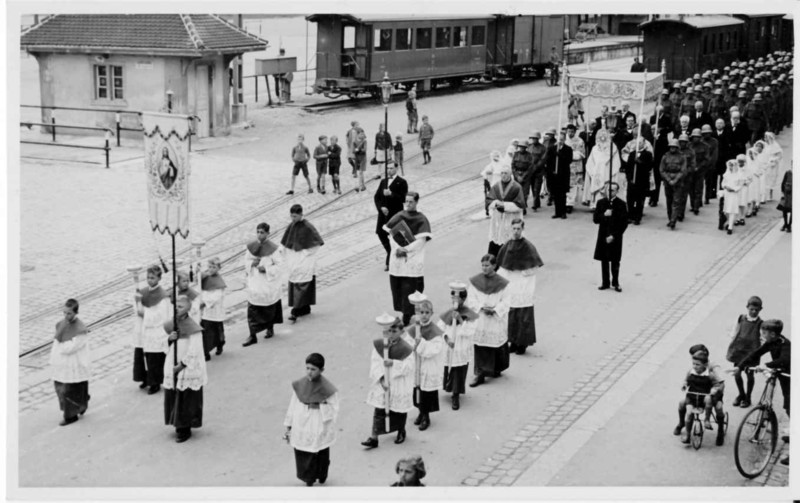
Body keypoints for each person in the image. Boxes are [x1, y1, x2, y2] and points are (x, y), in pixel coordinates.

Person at [735, 319, 791, 465]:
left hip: (791, 377)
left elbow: (785, 360)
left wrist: (765, 365)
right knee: (787, 407)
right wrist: (740, 367)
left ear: (772, 334)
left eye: (764, 333)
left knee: (791, 408)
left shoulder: (786, 345)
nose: (762, 335)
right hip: (781, 374)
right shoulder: (771, 342)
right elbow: (756, 353)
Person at [284, 353, 340, 486]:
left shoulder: (327, 388)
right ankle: (308, 477)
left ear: (321, 370)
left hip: (318, 422)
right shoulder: (300, 384)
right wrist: (289, 423)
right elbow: (293, 404)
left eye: (313, 369)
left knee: (319, 449)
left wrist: (320, 406)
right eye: (307, 368)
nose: (309, 372)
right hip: (301, 421)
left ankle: (322, 473)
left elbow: (334, 407)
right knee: (303, 450)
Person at [362, 316, 415, 448]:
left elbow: (409, 366)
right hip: (384, 381)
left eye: (394, 331)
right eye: (389, 331)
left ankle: (401, 430)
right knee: (380, 409)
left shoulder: (406, 348)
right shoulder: (380, 345)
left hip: (398, 382)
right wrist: (381, 378)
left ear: (401, 332)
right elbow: (375, 362)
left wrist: (394, 363)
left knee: (398, 409)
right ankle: (374, 437)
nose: (391, 334)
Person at [383, 192, 433, 326]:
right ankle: (402, 311)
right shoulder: (399, 216)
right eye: (406, 201)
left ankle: (408, 314)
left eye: (411, 201)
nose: (408, 204)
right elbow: (390, 236)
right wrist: (397, 248)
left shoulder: (421, 219)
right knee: (398, 287)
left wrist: (407, 249)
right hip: (398, 257)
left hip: (412, 257)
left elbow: (421, 240)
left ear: (417, 202)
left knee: (410, 288)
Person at [163, 295, 207, 443]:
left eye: (180, 306)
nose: (177, 309)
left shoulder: (193, 327)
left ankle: (184, 427)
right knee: (175, 394)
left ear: (188, 308)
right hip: (173, 362)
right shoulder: (173, 324)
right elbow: (166, 345)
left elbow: (194, 350)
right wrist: (170, 339)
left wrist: (181, 365)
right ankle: (177, 423)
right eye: (175, 306)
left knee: (185, 397)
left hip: (186, 367)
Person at [496, 220, 543, 356]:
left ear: (522, 229)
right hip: (511, 283)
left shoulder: (528, 246)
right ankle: (513, 341)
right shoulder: (507, 245)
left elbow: (534, 266)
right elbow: (502, 265)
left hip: (523, 284)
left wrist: (521, 271)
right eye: (514, 228)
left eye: (518, 229)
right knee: (511, 313)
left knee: (523, 314)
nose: (516, 231)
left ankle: (523, 343)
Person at [673, 344, 726, 445]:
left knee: (719, 408)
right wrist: (685, 385)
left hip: (711, 394)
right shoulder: (694, 368)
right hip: (696, 394)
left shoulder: (713, 368)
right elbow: (687, 380)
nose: (693, 363)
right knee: (682, 403)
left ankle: (720, 431)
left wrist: (714, 394)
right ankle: (682, 424)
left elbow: (721, 384)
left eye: (694, 356)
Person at [439, 281, 479, 410]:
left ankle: (455, 395)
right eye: (452, 298)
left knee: (458, 371)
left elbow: (470, 332)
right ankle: (449, 387)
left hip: (461, 346)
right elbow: (440, 328)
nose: (454, 301)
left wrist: (461, 320)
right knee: (448, 368)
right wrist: (446, 339)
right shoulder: (448, 312)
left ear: (463, 299)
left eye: (457, 298)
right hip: (449, 345)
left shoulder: (469, 313)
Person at [242, 223, 284, 346]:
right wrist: (252, 263)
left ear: (267, 233)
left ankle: (269, 327)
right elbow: (246, 261)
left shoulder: (274, 249)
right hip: (255, 283)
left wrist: (266, 269)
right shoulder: (251, 247)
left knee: (268, 308)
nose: (260, 234)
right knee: (252, 308)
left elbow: (280, 265)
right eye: (258, 232)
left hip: (267, 283)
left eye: (262, 232)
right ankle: (252, 335)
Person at [281, 205, 325, 323]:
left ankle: (295, 311)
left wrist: (304, 251)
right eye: (291, 216)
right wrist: (283, 250)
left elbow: (316, 243)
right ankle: (304, 307)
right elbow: (286, 240)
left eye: (295, 216)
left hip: (305, 260)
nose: (293, 218)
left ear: (301, 215)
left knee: (302, 284)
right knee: (296, 282)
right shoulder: (292, 225)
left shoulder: (308, 226)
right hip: (294, 259)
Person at [50, 298, 90, 426]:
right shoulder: (62, 324)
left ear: (76, 313)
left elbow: (71, 347)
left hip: (74, 362)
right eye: (65, 313)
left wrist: (61, 346)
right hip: (62, 362)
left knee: (71, 388)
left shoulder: (80, 329)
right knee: (62, 386)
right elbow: (57, 340)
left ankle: (71, 416)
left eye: (69, 313)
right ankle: (81, 404)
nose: (66, 316)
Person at [407, 299, 444, 431]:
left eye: (427, 312)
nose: (424, 315)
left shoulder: (435, 331)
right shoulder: (413, 328)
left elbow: (435, 349)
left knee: (426, 393)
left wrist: (421, 342)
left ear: (431, 313)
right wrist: (413, 345)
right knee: (416, 391)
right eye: (421, 312)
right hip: (416, 365)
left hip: (428, 366)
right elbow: (407, 344)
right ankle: (420, 412)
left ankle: (426, 416)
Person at [134, 264, 171, 395]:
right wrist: (137, 301)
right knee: (144, 355)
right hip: (145, 329)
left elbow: (160, 316)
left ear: (159, 278)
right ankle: (145, 378)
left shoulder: (162, 296)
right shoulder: (144, 292)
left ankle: (155, 383)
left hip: (156, 330)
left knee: (154, 358)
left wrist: (145, 314)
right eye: (148, 277)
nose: (150, 280)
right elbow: (138, 309)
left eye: (153, 278)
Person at [726, 296, 763, 408]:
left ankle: (748, 397)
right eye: (751, 309)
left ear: (760, 309)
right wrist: (733, 343)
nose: (753, 312)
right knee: (737, 373)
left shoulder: (761, 323)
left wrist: (758, 350)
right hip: (739, 351)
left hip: (751, 353)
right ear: (747, 307)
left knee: (749, 375)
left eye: (756, 310)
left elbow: (762, 338)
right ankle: (741, 394)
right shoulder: (741, 318)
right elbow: (735, 330)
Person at [593, 182, 628, 292]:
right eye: (608, 190)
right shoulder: (600, 203)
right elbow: (595, 219)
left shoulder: (621, 204)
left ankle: (616, 282)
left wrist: (614, 236)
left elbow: (624, 223)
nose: (610, 192)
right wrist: (604, 215)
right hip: (603, 234)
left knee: (615, 260)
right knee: (604, 259)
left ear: (617, 191)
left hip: (615, 236)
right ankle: (605, 282)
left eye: (612, 190)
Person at [375, 164, 409, 271]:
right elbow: (377, 197)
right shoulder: (383, 181)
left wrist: (391, 194)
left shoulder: (402, 182)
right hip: (383, 215)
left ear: (396, 168)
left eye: (391, 168)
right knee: (381, 233)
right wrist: (381, 208)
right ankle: (390, 252)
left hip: (395, 214)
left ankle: (392, 260)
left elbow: (403, 199)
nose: (389, 170)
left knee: (396, 237)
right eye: (388, 168)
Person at [486, 164, 525, 258]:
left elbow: (520, 205)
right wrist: (495, 203)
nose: (503, 175)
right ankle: (493, 260)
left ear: (510, 174)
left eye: (506, 173)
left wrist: (505, 205)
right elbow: (489, 200)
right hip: (498, 218)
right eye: (502, 173)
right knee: (496, 238)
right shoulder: (496, 186)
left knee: (509, 237)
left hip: (510, 217)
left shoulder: (516, 187)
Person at [583, 129, 622, 210]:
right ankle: (595, 205)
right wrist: (591, 170)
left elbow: (616, 161)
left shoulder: (613, 148)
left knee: (606, 188)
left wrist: (612, 171)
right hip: (596, 172)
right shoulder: (594, 148)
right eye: (600, 135)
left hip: (607, 171)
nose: (602, 137)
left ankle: (606, 205)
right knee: (597, 188)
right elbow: (591, 161)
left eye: (605, 135)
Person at [200, 257, 226, 360]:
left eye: (214, 267)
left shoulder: (219, 281)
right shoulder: (206, 277)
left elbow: (217, 296)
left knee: (217, 329)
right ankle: (206, 351)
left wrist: (205, 302)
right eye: (209, 267)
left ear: (218, 268)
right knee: (206, 331)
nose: (211, 269)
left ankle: (219, 344)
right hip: (206, 311)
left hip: (215, 309)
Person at [622, 138, 653, 225]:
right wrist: (629, 179)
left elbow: (649, 167)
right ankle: (630, 216)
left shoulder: (648, 154)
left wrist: (639, 162)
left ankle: (637, 217)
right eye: (637, 143)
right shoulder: (632, 154)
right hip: (632, 181)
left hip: (641, 181)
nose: (638, 144)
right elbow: (627, 168)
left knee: (639, 200)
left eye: (640, 143)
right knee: (630, 200)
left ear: (644, 143)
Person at [545, 131, 573, 219]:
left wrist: (559, 155)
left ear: (564, 139)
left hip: (563, 175)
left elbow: (569, 160)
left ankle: (563, 212)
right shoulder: (552, 148)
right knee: (556, 194)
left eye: (562, 139)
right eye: (559, 139)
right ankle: (557, 212)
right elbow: (548, 161)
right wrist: (551, 172)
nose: (560, 141)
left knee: (563, 195)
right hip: (554, 175)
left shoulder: (568, 149)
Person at [564, 124, 586, 213]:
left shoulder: (579, 141)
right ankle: (564, 202)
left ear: (575, 132)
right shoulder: (563, 140)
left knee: (573, 185)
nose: (570, 133)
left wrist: (569, 155)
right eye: (569, 131)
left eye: (572, 132)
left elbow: (581, 154)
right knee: (564, 184)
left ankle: (570, 203)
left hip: (575, 166)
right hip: (565, 166)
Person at [688, 128, 711, 214]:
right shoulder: (689, 145)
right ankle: (692, 204)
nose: (695, 139)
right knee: (691, 189)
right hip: (691, 170)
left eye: (697, 137)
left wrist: (699, 167)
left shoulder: (705, 146)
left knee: (698, 189)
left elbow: (706, 159)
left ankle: (696, 207)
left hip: (700, 171)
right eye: (694, 137)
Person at [720, 160, 744, 235]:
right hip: (727, 194)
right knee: (726, 210)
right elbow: (723, 183)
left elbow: (740, 185)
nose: (730, 167)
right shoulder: (726, 174)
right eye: (729, 166)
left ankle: (730, 227)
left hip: (734, 194)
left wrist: (734, 189)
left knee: (732, 210)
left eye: (732, 166)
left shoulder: (739, 175)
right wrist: (725, 186)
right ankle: (728, 222)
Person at [511, 140, 534, 214]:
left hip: (526, 176)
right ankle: (518, 206)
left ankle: (523, 207)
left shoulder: (529, 155)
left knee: (525, 193)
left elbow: (530, 167)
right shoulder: (515, 154)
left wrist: (523, 176)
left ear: (526, 148)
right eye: (520, 147)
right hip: (517, 175)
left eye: (523, 147)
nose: (521, 149)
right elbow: (513, 166)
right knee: (517, 192)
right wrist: (517, 176)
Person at [481, 150, 505, 217]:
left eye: (497, 156)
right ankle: (496, 206)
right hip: (495, 181)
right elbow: (487, 170)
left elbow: (505, 169)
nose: (495, 158)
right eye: (494, 157)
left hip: (502, 180)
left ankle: (502, 207)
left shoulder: (502, 163)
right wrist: (486, 173)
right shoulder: (492, 164)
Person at [700, 124, 720, 205]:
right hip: (701, 165)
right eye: (705, 133)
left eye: (708, 133)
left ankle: (707, 198)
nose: (706, 134)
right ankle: (699, 200)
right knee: (699, 184)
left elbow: (715, 155)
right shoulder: (700, 141)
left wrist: (710, 164)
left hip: (710, 166)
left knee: (709, 183)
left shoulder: (714, 142)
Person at [528, 132, 548, 212]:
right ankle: (537, 201)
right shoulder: (529, 147)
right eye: (532, 138)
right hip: (530, 171)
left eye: (535, 138)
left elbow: (543, 159)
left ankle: (534, 204)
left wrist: (536, 167)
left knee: (537, 187)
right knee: (533, 187)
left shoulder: (543, 148)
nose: (533, 140)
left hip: (539, 171)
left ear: (538, 139)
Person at [763, 132, 783, 202]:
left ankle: (770, 195)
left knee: (771, 179)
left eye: (766, 137)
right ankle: (764, 195)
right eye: (765, 137)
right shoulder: (765, 145)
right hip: (766, 163)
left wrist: (774, 159)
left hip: (773, 164)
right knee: (765, 178)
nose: (765, 139)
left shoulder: (775, 145)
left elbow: (780, 156)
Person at [779, 163, 792, 233]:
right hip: (786, 195)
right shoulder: (788, 173)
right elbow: (782, 183)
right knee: (784, 210)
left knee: (793, 211)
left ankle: (789, 225)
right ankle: (785, 224)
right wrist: (782, 193)